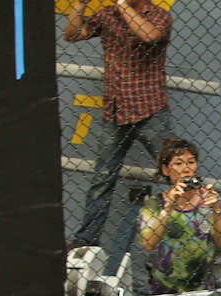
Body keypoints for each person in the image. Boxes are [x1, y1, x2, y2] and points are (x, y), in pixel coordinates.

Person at [64, 0, 175, 261]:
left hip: (150, 109)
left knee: (176, 169)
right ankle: (86, 238)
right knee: (102, 178)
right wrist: (80, 4)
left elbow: (148, 35)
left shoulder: (158, 16)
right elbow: (71, 34)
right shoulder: (106, 15)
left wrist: (123, 4)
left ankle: (186, 230)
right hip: (114, 111)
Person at [138, 137, 221, 294]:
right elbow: (148, 244)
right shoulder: (154, 205)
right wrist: (169, 208)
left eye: (191, 162)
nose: (186, 168)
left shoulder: (209, 199)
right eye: (179, 163)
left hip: (204, 287)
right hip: (165, 288)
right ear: (166, 170)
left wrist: (216, 209)